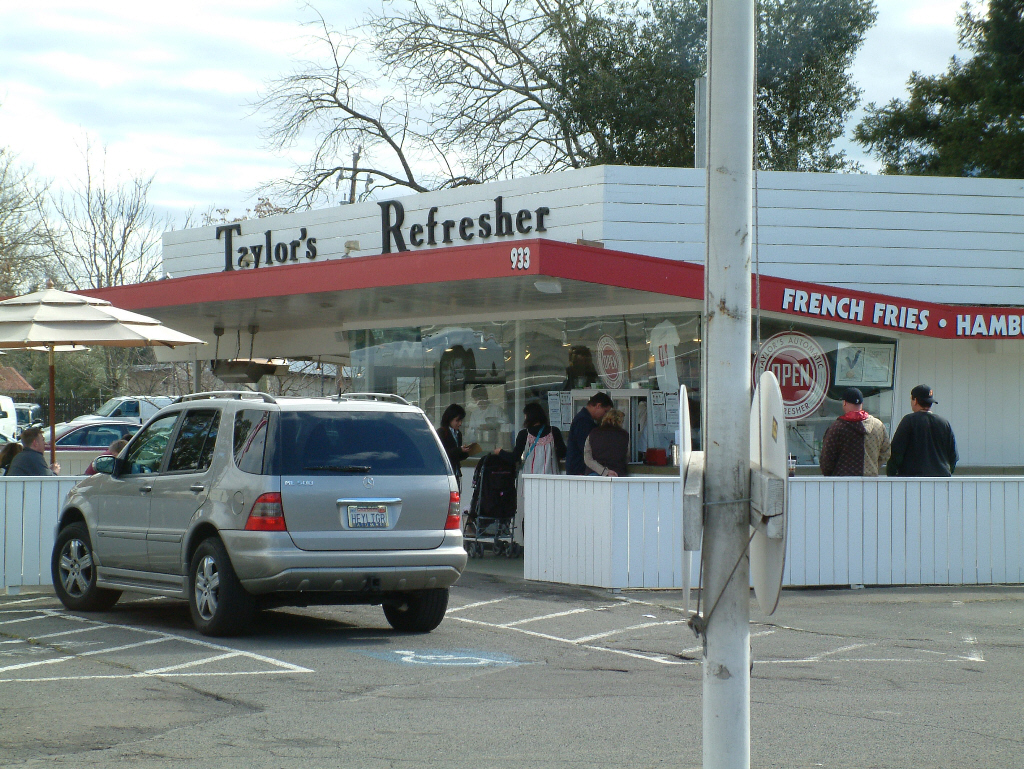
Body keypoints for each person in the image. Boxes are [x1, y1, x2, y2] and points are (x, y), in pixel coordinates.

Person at [886, 384, 958, 477]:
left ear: (915, 401)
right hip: (941, 477)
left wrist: (891, 473)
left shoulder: (909, 421)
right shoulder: (944, 423)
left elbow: (896, 452)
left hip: (913, 478)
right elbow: (953, 456)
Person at [818, 388, 891, 477]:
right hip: (870, 480)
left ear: (844, 403)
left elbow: (827, 459)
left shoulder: (837, 427)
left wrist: (830, 474)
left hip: (843, 481)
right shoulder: (878, 425)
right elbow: (886, 453)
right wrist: (872, 466)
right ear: (862, 404)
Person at [494, 402, 567, 474]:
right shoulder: (554, 431)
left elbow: (515, 457)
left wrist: (500, 452)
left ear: (529, 417)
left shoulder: (524, 434)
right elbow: (563, 453)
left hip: (530, 477)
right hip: (551, 477)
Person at [566, 392, 613, 475]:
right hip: (579, 469)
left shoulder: (584, 419)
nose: (605, 415)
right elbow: (586, 448)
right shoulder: (584, 422)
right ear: (598, 406)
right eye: (605, 411)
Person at [436, 404, 478, 491]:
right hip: (445, 473)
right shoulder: (442, 432)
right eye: (457, 420)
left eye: (461, 420)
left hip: (456, 472)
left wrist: (467, 452)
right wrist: (459, 449)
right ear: (450, 419)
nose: (460, 423)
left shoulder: (458, 434)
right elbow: (442, 453)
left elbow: (457, 456)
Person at [584, 409, 630, 477]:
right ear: (620, 421)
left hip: (595, 474)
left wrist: (604, 472)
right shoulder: (625, 435)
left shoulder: (593, 433)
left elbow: (588, 459)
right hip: (618, 473)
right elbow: (627, 457)